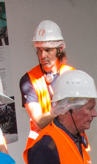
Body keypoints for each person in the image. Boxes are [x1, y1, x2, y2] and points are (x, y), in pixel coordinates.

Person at [20, 19, 76, 151]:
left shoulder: (71, 74)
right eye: (39, 50)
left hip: (70, 144)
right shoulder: (29, 79)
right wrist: (60, 109)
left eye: (48, 50)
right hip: (42, 148)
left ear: (60, 49)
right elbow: (38, 121)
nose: (42, 55)